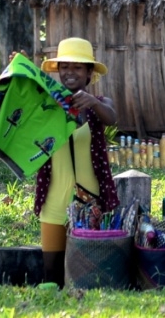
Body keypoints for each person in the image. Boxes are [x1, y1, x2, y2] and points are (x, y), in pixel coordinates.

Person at [34, 37, 119, 287]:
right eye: (64, 67)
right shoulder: (46, 105)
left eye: (78, 67)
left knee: (87, 273)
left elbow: (112, 118)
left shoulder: (100, 104)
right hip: (53, 200)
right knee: (51, 273)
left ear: (89, 73)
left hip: (89, 201)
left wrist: (92, 102)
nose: (70, 73)